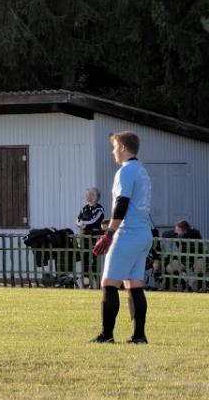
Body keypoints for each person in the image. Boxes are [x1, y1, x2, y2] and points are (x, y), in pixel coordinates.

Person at [91, 131, 152, 344]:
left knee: (109, 283)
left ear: (124, 147)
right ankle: (139, 335)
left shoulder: (125, 171)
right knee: (134, 284)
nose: (113, 151)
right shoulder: (142, 171)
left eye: (115, 146)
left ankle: (106, 335)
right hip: (143, 233)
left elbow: (122, 204)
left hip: (128, 233)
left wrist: (109, 233)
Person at [159, 220, 205, 291]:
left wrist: (179, 236)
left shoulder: (195, 233)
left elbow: (187, 236)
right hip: (184, 258)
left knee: (199, 268)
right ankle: (182, 284)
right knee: (169, 268)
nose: (176, 231)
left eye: (178, 230)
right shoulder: (177, 234)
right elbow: (164, 234)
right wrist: (176, 234)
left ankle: (200, 287)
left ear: (184, 230)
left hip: (196, 257)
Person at [76, 187, 105, 288]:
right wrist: (81, 223)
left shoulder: (100, 209)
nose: (89, 197)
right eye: (88, 195)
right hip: (84, 238)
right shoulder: (84, 208)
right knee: (85, 261)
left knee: (94, 261)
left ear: (97, 197)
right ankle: (86, 284)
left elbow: (94, 221)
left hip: (94, 239)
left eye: (92, 195)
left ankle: (98, 285)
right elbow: (78, 220)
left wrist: (84, 223)